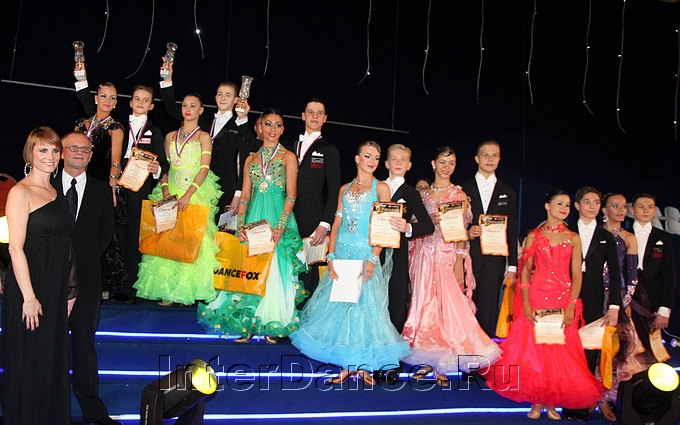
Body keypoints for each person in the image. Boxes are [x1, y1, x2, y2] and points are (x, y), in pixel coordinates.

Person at [290, 141, 411, 385]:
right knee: (341, 307)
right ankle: (347, 364)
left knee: (364, 308)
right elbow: (336, 225)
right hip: (342, 254)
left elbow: (385, 226)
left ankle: (362, 366)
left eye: (376, 157)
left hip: (365, 254)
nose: (371, 161)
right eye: (367, 156)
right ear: (357, 159)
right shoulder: (344, 189)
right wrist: (331, 256)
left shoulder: (381, 188)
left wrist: (373, 257)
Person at [486, 190, 605, 420]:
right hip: (538, 296)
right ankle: (537, 400)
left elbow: (577, 275)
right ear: (547, 206)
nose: (564, 208)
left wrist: (572, 304)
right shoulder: (534, 236)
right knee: (536, 351)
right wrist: (526, 303)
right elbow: (525, 272)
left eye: (567, 205)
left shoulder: (573, 238)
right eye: (559, 204)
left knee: (558, 352)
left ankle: (551, 401)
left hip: (563, 298)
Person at [198, 108, 307, 343]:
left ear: (283, 129)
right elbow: (245, 195)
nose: (272, 129)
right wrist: (240, 226)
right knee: (250, 268)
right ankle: (246, 322)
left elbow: (292, 194)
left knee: (275, 268)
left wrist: (281, 225)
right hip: (254, 217)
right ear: (260, 128)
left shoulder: (288, 157)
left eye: (278, 125)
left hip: (277, 217)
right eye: (268, 124)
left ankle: (270, 321)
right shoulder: (251, 159)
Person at [403, 146, 501, 386]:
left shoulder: (459, 194)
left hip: (447, 255)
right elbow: (414, 224)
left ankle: (444, 364)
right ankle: (426, 360)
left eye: (452, 163)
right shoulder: (422, 195)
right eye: (443, 162)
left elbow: (461, 233)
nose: (446, 167)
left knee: (449, 309)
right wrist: (425, 220)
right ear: (433, 163)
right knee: (424, 307)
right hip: (424, 255)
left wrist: (459, 261)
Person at [1, 127, 77, 424]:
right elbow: (15, 249)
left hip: (56, 290)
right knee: (29, 363)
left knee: (52, 362)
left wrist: (70, 291)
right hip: (29, 290)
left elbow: (67, 245)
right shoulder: (20, 192)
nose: (50, 156)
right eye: (42, 150)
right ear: (29, 154)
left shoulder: (57, 193)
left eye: (54, 150)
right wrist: (29, 298)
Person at [74, 66, 167, 303]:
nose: (140, 103)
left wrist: (157, 170)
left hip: (138, 186)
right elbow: (93, 113)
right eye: (137, 99)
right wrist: (81, 80)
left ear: (152, 106)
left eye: (145, 100)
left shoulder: (155, 131)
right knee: (110, 233)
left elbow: (162, 162)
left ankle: (130, 288)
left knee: (133, 235)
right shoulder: (117, 124)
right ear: (130, 102)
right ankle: (111, 285)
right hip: (114, 182)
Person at [54, 132, 119, 425]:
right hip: (47, 281)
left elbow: (105, 236)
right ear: (62, 153)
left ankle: (93, 413)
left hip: (87, 282)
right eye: (73, 147)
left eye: (85, 148)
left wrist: (79, 265)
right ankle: (48, 409)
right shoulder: (44, 187)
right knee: (48, 350)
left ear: (91, 156)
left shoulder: (102, 191)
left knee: (84, 350)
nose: (79, 152)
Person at [134, 93, 221, 306]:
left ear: (201, 110)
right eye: (185, 105)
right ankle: (166, 290)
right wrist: (165, 191)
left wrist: (188, 195)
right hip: (171, 192)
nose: (188, 109)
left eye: (193, 106)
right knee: (166, 240)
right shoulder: (169, 136)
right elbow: (164, 167)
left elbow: (204, 169)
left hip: (194, 193)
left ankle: (185, 290)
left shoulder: (204, 137)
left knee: (191, 241)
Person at [159, 59, 260, 218]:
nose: (223, 98)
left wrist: (238, 194)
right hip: (198, 186)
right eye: (220, 94)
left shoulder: (239, 126)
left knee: (219, 231)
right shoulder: (203, 121)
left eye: (228, 95)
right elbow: (173, 110)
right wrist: (167, 80)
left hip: (225, 188)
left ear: (236, 100)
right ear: (215, 97)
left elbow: (247, 156)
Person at [563, 187, 622, 422]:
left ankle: (584, 401)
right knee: (567, 347)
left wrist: (614, 306)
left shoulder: (606, 237)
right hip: (567, 293)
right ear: (577, 206)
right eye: (586, 202)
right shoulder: (566, 231)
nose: (592, 206)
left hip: (595, 296)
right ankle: (568, 398)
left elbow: (615, 274)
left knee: (589, 350)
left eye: (596, 202)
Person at [600, 192, 655, 422]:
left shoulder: (628, 237)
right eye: (615, 206)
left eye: (624, 206)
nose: (621, 210)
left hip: (621, 298)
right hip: (595, 296)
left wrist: (622, 301)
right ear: (604, 211)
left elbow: (632, 275)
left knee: (623, 347)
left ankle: (619, 397)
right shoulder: (594, 234)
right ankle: (598, 397)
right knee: (597, 347)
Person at [282, 98, 341, 298]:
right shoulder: (288, 146)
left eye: (319, 113)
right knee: (285, 255)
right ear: (303, 115)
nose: (314, 116)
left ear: (325, 118)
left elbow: (334, 189)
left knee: (308, 262)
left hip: (313, 208)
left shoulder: (329, 149)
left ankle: (305, 309)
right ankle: (286, 305)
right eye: (310, 112)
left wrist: (325, 223)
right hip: (286, 206)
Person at [74, 80, 127, 294]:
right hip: (77, 183)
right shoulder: (81, 125)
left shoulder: (115, 128)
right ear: (96, 98)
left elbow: (116, 162)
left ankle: (95, 284)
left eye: (112, 97)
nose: (107, 100)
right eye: (104, 96)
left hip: (100, 187)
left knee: (98, 234)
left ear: (116, 103)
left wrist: (112, 189)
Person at [461, 140, 518, 338]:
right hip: (467, 254)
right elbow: (453, 224)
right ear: (477, 158)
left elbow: (512, 230)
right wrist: (467, 232)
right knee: (464, 302)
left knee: (488, 306)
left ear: (499, 159)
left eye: (494, 155)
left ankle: (483, 352)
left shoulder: (507, 191)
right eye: (485, 155)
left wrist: (512, 267)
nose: (490, 159)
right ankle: (463, 348)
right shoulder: (462, 188)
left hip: (495, 257)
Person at [382, 144, 434, 333]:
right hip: (372, 248)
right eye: (394, 159)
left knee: (396, 292)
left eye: (403, 160)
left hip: (398, 249)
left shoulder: (411, 193)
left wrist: (408, 227)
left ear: (409, 165)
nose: (398, 163)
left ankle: (394, 336)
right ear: (387, 163)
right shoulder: (376, 187)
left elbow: (428, 225)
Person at [630, 193, 677, 330]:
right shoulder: (623, 235)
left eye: (650, 207)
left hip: (652, 300)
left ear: (655, 211)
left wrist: (664, 310)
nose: (646, 210)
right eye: (641, 207)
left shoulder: (663, 239)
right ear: (632, 210)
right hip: (626, 297)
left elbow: (670, 277)